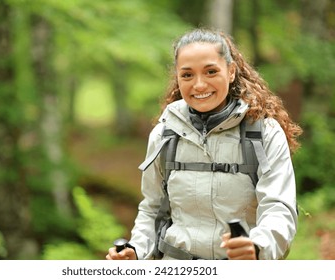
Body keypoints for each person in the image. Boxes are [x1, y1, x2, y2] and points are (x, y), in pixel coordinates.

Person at [106, 28, 302, 260]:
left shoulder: (264, 133)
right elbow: (152, 210)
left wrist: (258, 247)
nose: (199, 85)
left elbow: (278, 209)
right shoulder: (164, 135)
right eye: (187, 75)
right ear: (178, 78)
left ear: (230, 72)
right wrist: (136, 251)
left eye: (211, 71)